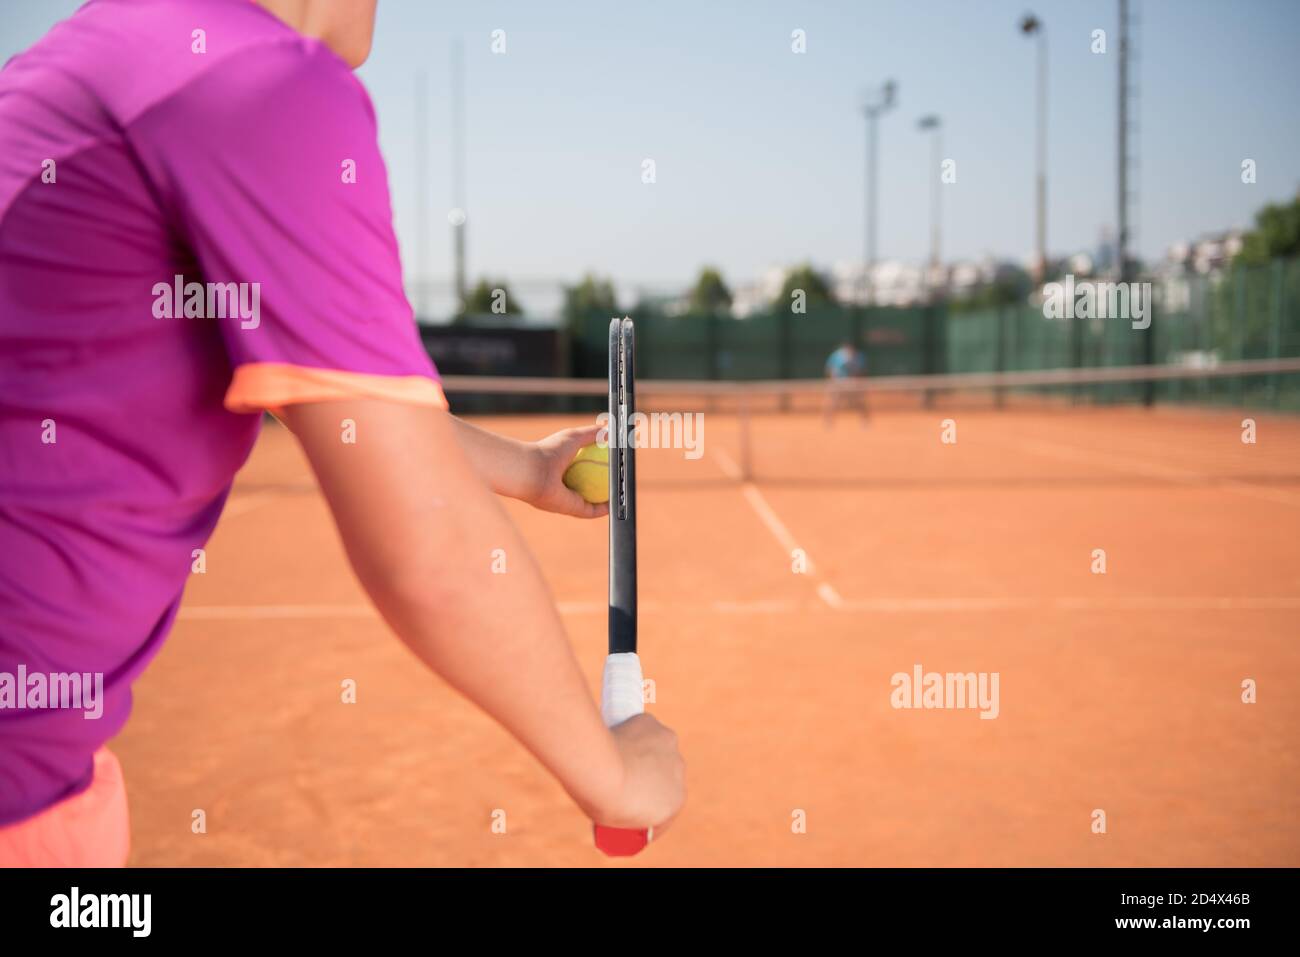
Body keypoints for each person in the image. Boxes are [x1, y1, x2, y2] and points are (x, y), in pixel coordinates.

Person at [0, 0, 684, 866]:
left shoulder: (102, 54)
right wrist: (615, 774)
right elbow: (431, 552)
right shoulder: (264, 84)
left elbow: (339, 414)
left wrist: (528, 469)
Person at [823, 340, 869, 426]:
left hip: (853, 383)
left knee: (860, 402)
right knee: (834, 402)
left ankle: (865, 421)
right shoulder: (836, 355)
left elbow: (861, 371)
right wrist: (834, 380)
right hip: (839, 383)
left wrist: (857, 381)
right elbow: (830, 369)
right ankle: (828, 421)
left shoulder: (859, 356)